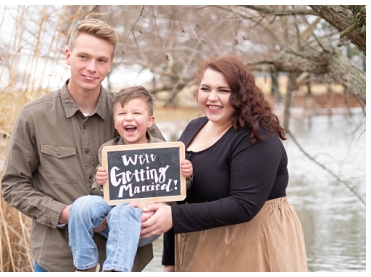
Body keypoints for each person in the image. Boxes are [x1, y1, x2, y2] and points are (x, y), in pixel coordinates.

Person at [0, 18, 159, 272]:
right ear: (68, 55)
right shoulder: (34, 116)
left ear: (110, 64)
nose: (91, 68)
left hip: (125, 258)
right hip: (57, 258)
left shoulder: (131, 114)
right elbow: (13, 186)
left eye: (101, 60)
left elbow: (164, 170)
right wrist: (68, 214)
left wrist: (160, 212)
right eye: (83, 57)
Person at [132, 55, 308, 272]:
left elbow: (244, 205)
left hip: (252, 243)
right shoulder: (193, 128)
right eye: (205, 88)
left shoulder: (257, 135)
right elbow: (175, 195)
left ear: (241, 94)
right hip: (199, 244)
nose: (212, 98)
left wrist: (174, 217)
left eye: (223, 91)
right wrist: (170, 261)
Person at [68, 86, 193, 272]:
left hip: (144, 219)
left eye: (136, 112)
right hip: (111, 211)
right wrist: (100, 181)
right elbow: (97, 191)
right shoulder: (108, 150)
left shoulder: (163, 150)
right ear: (115, 121)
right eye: (122, 113)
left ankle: (116, 270)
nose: (128, 117)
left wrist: (186, 174)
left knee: (123, 212)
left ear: (150, 121)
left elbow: (178, 190)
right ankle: (85, 265)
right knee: (81, 205)